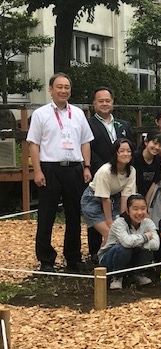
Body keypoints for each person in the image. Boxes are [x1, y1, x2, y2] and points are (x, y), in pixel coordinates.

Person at [27, 73, 94, 272]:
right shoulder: (41, 114)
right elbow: (33, 144)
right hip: (50, 167)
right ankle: (46, 259)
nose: (63, 90)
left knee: (74, 214)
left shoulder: (79, 113)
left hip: (74, 168)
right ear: (51, 89)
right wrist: (37, 170)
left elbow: (85, 142)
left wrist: (87, 166)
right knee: (46, 214)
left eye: (66, 87)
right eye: (59, 87)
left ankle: (73, 258)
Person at [87, 86, 134, 262]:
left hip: (121, 175)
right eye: (101, 101)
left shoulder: (123, 124)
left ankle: (115, 249)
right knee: (98, 212)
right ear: (94, 104)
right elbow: (88, 148)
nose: (105, 104)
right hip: (100, 173)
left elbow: (131, 147)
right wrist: (105, 167)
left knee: (117, 211)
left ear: (113, 103)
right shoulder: (89, 124)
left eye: (108, 100)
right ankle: (94, 251)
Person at [81, 138, 137, 248]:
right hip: (93, 200)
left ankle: (108, 259)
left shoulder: (131, 171)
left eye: (129, 151)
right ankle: (102, 261)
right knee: (110, 234)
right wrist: (110, 222)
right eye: (121, 151)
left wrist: (123, 220)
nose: (126, 154)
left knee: (120, 233)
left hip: (114, 199)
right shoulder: (105, 171)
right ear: (115, 153)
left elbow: (126, 197)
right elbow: (104, 198)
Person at [98, 194, 159, 290]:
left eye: (143, 208)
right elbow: (127, 243)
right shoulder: (119, 222)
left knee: (147, 248)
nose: (139, 212)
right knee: (123, 248)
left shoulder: (148, 223)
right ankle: (117, 277)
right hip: (110, 258)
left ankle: (137, 274)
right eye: (135, 209)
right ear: (127, 210)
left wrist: (135, 241)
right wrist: (145, 237)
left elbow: (156, 244)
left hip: (133, 255)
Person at [132, 131, 161, 225]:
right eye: (154, 143)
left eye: (160, 145)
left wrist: (145, 205)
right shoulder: (136, 157)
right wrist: (137, 203)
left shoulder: (158, 160)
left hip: (148, 196)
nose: (157, 147)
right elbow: (133, 181)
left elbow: (154, 183)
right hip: (132, 192)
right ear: (146, 142)